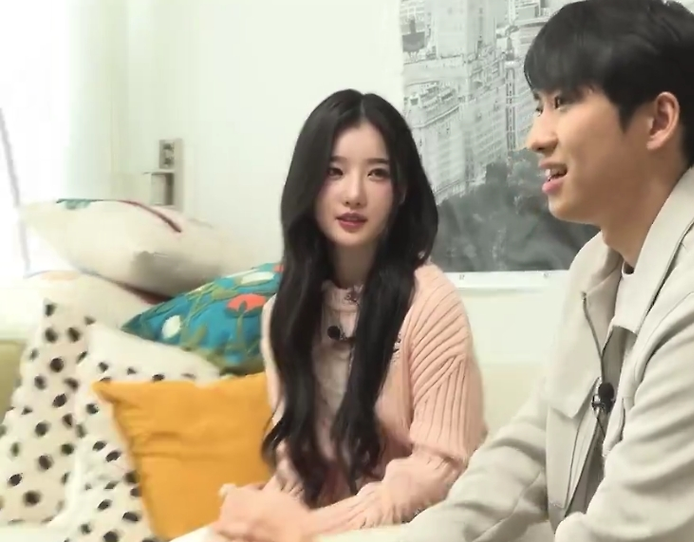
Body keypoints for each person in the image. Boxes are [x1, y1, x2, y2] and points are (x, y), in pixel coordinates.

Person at [400, 0, 694, 542]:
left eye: (564, 103)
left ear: (658, 121)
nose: (536, 137)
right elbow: (531, 450)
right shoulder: (597, 266)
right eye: (539, 106)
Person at [199, 89, 487, 542]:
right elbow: (298, 467)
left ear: (401, 191)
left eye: (377, 174)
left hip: (420, 529)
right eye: (334, 172)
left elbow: (438, 471)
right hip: (327, 527)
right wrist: (260, 514)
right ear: (308, 184)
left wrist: (308, 527)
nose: (354, 194)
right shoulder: (283, 314)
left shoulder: (431, 304)